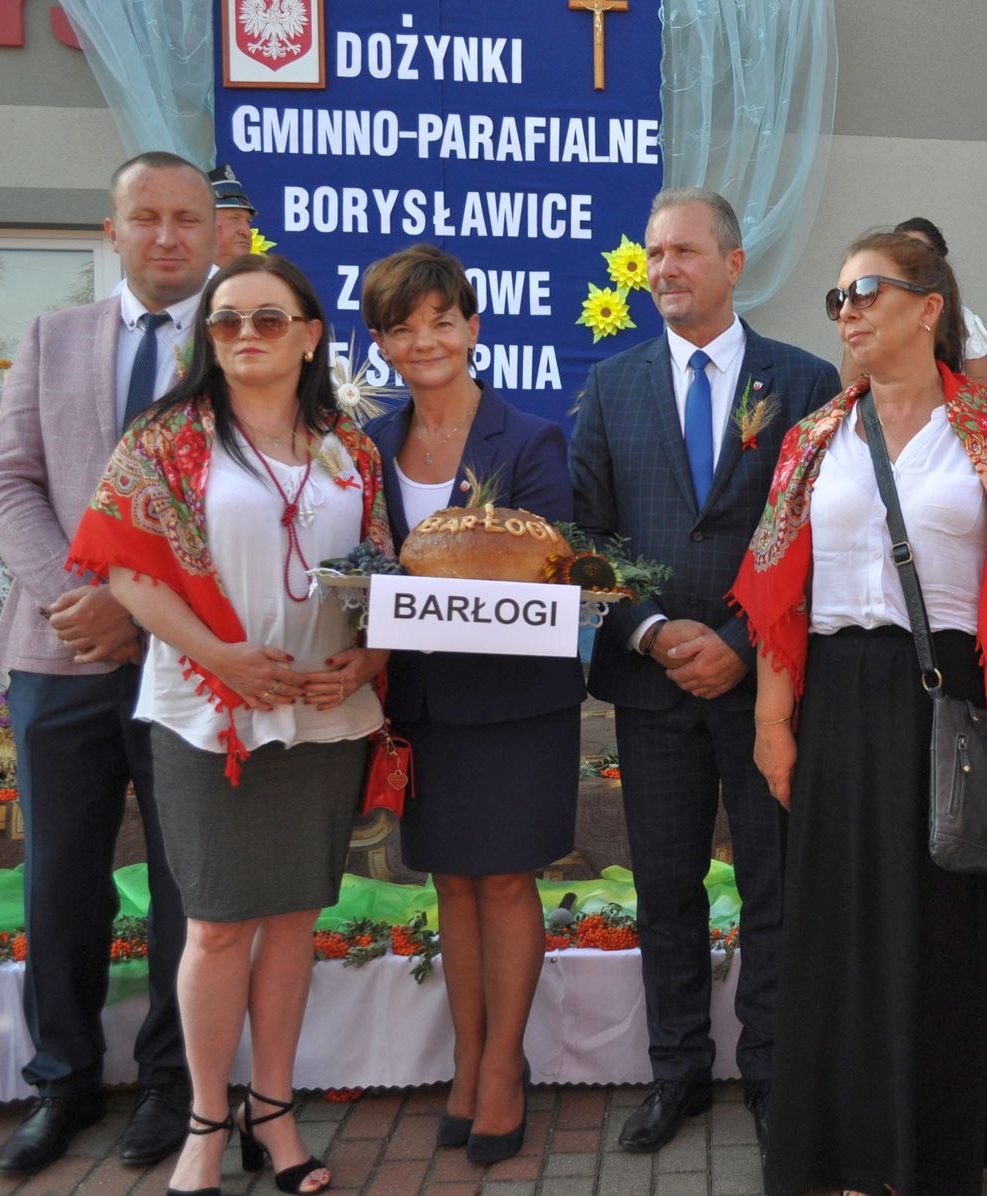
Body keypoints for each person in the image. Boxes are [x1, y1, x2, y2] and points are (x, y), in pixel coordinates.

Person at [732, 230, 987, 1195]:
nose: (848, 310)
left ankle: (942, 1156)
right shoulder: (813, 438)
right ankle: (848, 1153)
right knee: (841, 934)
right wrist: (773, 723)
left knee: (945, 936)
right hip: (833, 704)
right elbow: (778, 592)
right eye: (838, 297)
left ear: (930, 307)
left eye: (867, 290)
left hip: (954, 703)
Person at [67, 253, 392, 1196]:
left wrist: (369, 657)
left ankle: (275, 1113)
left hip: (323, 713)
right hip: (210, 715)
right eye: (226, 320)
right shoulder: (166, 437)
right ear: (207, 337)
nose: (245, 334)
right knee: (214, 927)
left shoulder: (350, 448)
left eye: (268, 318)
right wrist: (221, 657)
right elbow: (127, 569)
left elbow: (380, 572)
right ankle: (207, 1122)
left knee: (292, 922)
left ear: (311, 335)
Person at [569, 187, 842, 1154]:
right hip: (652, 687)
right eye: (653, 253)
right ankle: (676, 1072)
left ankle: (770, 1070)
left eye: (683, 250)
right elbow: (587, 537)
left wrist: (739, 638)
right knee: (665, 887)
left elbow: (816, 531)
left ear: (733, 264)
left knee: (774, 885)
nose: (664, 268)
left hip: (765, 681)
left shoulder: (803, 381)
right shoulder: (612, 386)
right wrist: (648, 633)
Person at [0, 150, 211, 1176]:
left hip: (186, 661)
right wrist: (77, 599)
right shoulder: (52, 336)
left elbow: (252, 501)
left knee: (184, 878)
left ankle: (171, 1082)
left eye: (185, 218)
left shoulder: (241, 337)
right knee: (60, 879)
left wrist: (141, 610)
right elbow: (8, 482)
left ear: (215, 234)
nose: (166, 236)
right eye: (145, 217)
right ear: (111, 231)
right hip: (59, 652)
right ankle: (62, 1083)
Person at [361, 244, 584, 1165]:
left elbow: (546, 569)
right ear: (381, 343)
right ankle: (466, 1059)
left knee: (502, 880)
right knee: (450, 880)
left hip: (514, 701)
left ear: (472, 329)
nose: (425, 340)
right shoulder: (368, 446)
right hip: (420, 702)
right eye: (402, 327)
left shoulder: (528, 439)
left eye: (441, 321)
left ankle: (502, 1070)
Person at [838, 217, 987, 392]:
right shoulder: (862, 323)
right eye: (838, 299)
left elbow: (984, 383)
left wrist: (941, 398)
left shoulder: (962, 319)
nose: (845, 312)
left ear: (930, 309)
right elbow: (849, 380)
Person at [208, 165, 258, 270]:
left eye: (248, 222)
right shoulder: (180, 279)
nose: (247, 232)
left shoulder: (255, 280)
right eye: (235, 218)